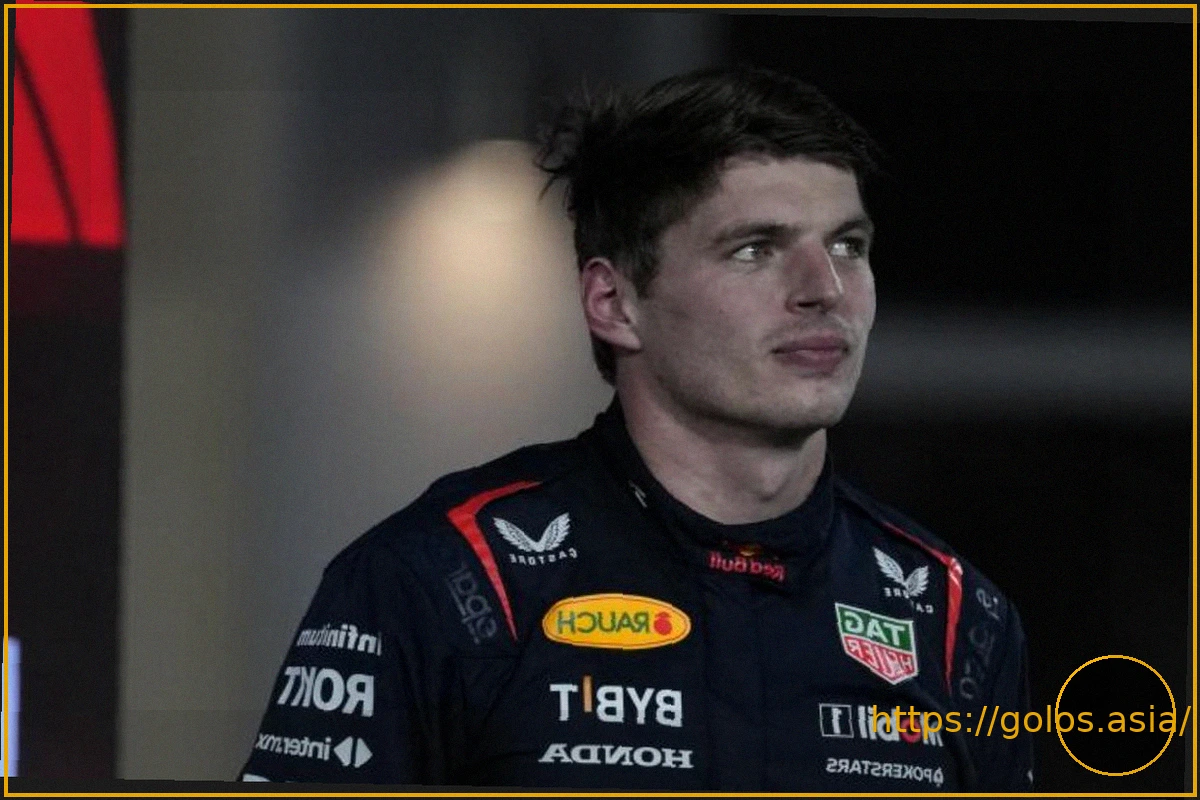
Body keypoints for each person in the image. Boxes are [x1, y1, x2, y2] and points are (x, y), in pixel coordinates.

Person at [238, 66, 1033, 791]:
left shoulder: (956, 617)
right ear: (614, 304)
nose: (824, 288)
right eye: (755, 249)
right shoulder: (446, 579)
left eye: (847, 246)